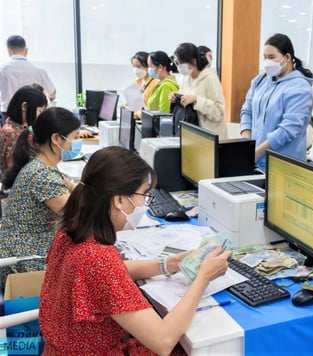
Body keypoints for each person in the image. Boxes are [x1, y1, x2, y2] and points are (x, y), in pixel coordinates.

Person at [39, 146, 231, 355]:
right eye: (144, 195)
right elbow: (163, 341)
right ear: (119, 200)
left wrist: (168, 264)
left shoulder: (70, 232)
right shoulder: (97, 258)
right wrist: (204, 277)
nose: (144, 204)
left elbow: (111, 273)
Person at [0, 107, 81, 290]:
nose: (76, 143)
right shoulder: (43, 176)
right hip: (25, 260)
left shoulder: (41, 165)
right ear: (56, 139)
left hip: (21, 250)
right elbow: (79, 213)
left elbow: (72, 190)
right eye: (75, 137)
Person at [240, 33, 313, 170]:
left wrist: (257, 152)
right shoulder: (261, 80)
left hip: (283, 166)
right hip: (256, 161)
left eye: (272, 57)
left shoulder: (300, 88)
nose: (267, 62)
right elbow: (247, 110)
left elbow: (288, 130)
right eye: (265, 57)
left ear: (287, 58)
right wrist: (247, 142)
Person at [170, 43, 228, 138]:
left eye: (181, 63)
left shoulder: (210, 78)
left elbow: (219, 112)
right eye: (177, 63)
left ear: (193, 61)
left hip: (209, 137)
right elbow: (185, 102)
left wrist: (197, 100)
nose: (179, 66)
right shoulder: (185, 79)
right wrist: (175, 96)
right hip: (191, 135)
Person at [0, 35, 56, 116]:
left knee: (9, 129)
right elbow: (52, 94)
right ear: (26, 51)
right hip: (33, 113)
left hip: (8, 113)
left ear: (9, 51)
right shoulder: (39, 70)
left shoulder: (2, 69)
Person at [0, 85, 47, 174]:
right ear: (24, 106)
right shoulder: (11, 134)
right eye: (40, 111)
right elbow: (13, 173)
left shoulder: (17, 128)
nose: (41, 116)